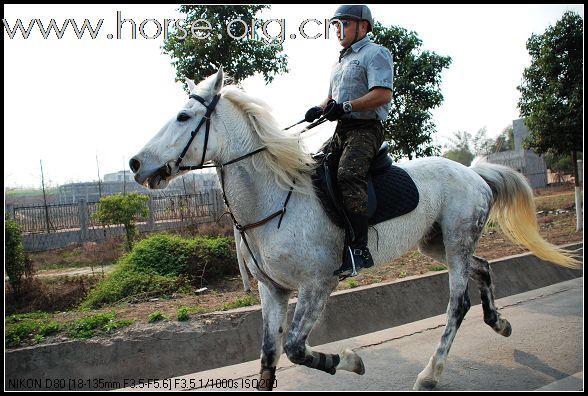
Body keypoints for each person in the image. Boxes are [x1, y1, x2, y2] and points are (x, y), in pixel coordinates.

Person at [305, 5, 393, 278]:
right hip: (342, 130)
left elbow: (382, 94)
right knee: (310, 169)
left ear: (363, 26)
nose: (338, 29)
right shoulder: (339, 63)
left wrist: (346, 107)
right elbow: (332, 99)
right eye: (335, 25)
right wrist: (320, 109)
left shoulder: (375, 53)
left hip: (366, 129)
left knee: (348, 174)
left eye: (344, 23)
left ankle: (359, 249)